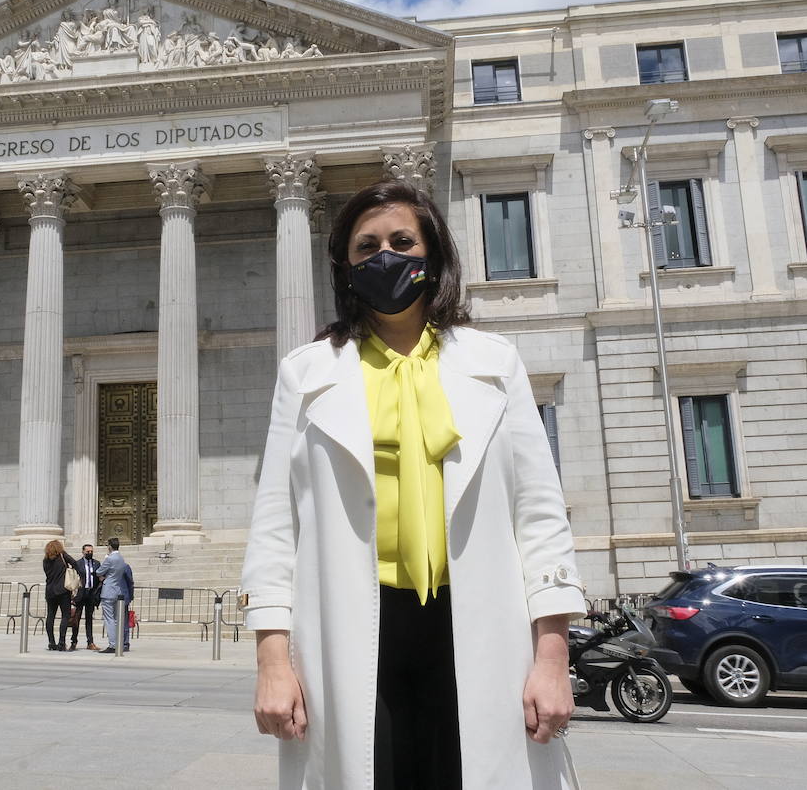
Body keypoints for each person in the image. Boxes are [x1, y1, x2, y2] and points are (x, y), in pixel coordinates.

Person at [241, 180, 586, 789]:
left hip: (475, 621)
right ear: (346, 268)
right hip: (354, 627)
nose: (386, 257)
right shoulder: (307, 373)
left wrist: (552, 659)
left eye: (403, 242)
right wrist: (274, 660)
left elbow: (539, 515)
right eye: (366, 247)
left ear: (433, 255)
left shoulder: (493, 362)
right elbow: (275, 527)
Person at [97, 537, 134, 653]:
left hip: (108, 591)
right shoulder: (121, 559)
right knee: (117, 619)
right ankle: (119, 642)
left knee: (109, 619)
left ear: (109, 546)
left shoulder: (110, 558)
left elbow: (99, 571)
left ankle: (112, 644)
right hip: (118, 591)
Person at [43, 539, 78, 651]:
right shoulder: (62, 556)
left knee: (50, 616)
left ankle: (51, 642)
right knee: (65, 616)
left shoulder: (45, 560)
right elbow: (75, 563)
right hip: (63, 591)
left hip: (50, 591)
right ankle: (61, 642)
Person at [70, 543, 102, 651]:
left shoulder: (97, 563)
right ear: (83, 552)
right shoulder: (78, 564)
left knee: (89, 619)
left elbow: (99, 578)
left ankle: (90, 642)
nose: (90, 553)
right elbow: (73, 579)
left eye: (91, 551)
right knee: (76, 619)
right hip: (80, 594)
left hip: (91, 594)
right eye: (88, 551)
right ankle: (73, 641)